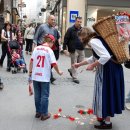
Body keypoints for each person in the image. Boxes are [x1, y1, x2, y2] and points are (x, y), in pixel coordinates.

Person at [73, 27, 125, 129]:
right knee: (107, 93)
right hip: (112, 69)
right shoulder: (97, 39)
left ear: (84, 36)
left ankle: (106, 122)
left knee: (105, 93)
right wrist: (79, 64)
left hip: (108, 70)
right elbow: (94, 57)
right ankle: (104, 118)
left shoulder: (93, 41)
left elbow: (105, 56)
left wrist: (92, 66)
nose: (80, 40)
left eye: (80, 38)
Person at [28, 34, 63, 121]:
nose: (52, 45)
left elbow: (31, 61)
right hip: (44, 77)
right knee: (44, 95)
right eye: (53, 43)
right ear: (51, 42)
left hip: (35, 75)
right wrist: (59, 72)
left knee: (37, 95)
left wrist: (30, 72)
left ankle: (38, 112)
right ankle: (44, 114)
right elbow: (54, 64)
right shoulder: (49, 51)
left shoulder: (36, 48)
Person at [33, 15, 60, 83]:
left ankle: (49, 75)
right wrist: (34, 46)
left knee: (48, 62)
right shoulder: (42, 27)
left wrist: (57, 46)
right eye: (52, 19)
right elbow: (36, 37)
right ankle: (47, 76)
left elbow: (55, 38)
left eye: (54, 20)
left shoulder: (54, 29)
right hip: (41, 46)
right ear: (48, 20)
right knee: (44, 62)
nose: (53, 21)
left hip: (49, 48)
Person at [63, 16, 85, 84]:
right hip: (73, 49)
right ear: (75, 21)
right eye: (78, 21)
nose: (79, 23)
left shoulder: (82, 30)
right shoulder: (70, 29)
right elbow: (65, 39)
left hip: (81, 48)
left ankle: (71, 70)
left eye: (80, 22)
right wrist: (64, 49)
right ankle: (74, 77)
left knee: (80, 62)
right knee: (74, 62)